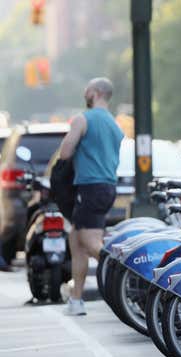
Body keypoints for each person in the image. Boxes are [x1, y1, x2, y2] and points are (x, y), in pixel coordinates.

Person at [59, 77, 123, 315]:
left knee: (88, 241)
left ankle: (125, 276)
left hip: (91, 188)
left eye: (87, 89)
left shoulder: (82, 119)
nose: (84, 92)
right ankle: (76, 301)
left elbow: (65, 152)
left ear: (95, 93)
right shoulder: (115, 125)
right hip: (106, 187)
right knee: (76, 241)